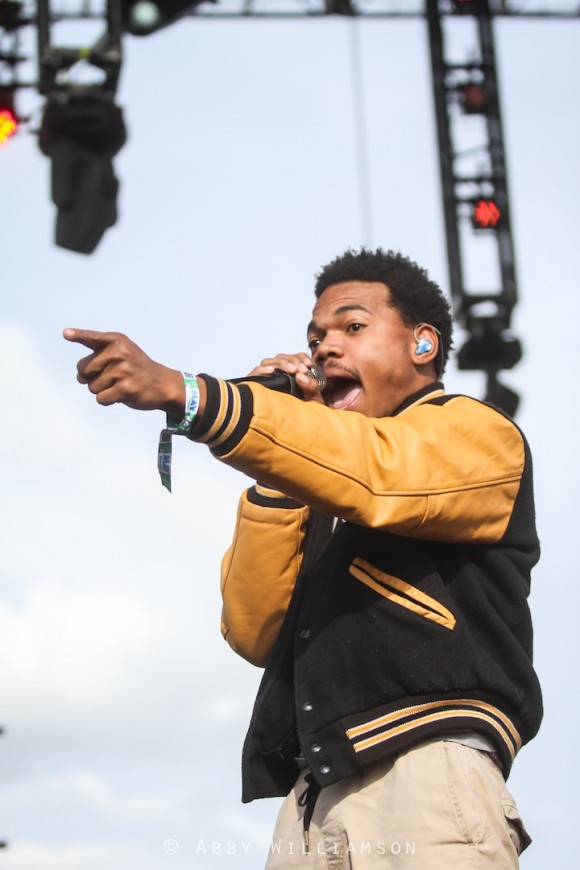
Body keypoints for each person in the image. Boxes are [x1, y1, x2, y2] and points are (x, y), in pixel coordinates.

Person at [65, 247, 542, 869]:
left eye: (353, 326)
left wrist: (190, 396)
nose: (324, 349)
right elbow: (253, 629)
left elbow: (379, 473)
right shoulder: (326, 483)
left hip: (425, 772)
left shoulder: (476, 434)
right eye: (315, 338)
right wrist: (278, 470)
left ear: (422, 343)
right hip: (312, 796)